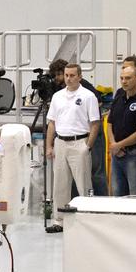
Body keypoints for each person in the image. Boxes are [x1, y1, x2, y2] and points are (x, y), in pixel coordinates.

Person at [45, 62, 100, 232]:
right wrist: (49, 145)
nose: (68, 79)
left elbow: (95, 124)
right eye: (66, 75)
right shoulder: (57, 96)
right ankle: (59, 220)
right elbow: (52, 123)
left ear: (79, 76)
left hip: (79, 142)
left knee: (83, 183)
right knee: (59, 185)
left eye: (72, 75)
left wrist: (87, 146)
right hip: (61, 142)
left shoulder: (88, 96)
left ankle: (86, 220)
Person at [107, 65, 136, 196]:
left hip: (134, 154)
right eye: (122, 78)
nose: (124, 81)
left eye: (128, 78)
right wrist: (114, 144)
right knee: (118, 194)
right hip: (116, 154)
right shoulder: (118, 98)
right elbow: (110, 123)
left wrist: (119, 145)